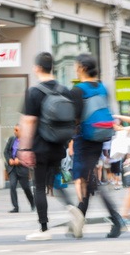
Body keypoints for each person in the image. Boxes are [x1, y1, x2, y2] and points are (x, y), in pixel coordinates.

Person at [17, 52, 83, 241]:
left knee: (38, 186)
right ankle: (72, 208)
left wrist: (25, 149)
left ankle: (44, 228)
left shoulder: (34, 91)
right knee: (55, 180)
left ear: (37, 68)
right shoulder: (65, 90)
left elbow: (29, 122)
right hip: (58, 145)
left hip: (40, 146)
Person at [70, 53, 126, 238]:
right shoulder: (103, 87)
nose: (75, 70)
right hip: (99, 138)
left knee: (89, 181)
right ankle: (78, 223)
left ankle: (116, 219)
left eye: (77, 66)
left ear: (83, 68)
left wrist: (70, 141)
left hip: (83, 139)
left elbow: (74, 118)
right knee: (88, 180)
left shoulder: (78, 90)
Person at [3, 124, 35, 213]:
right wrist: (9, 159)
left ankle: (32, 202)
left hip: (22, 169)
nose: (14, 131)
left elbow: (30, 155)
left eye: (16, 130)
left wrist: (20, 160)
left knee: (26, 188)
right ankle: (15, 207)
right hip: (12, 168)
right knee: (12, 186)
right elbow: (6, 151)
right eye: (14, 130)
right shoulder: (11, 139)